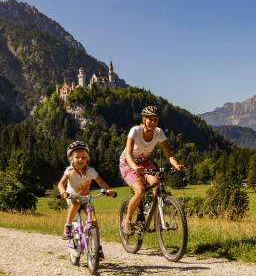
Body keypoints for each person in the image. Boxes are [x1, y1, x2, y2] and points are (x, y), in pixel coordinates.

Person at [119, 106, 184, 235]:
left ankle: (156, 221)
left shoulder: (159, 133)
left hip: (144, 163)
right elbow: (128, 154)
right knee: (140, 190)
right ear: (144, 119)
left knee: (156, 184)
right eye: (150, 119)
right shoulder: (135, 131)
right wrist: (134, 167)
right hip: (128, 164)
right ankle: (126, 221)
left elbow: (168, 155)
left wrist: (176, 165)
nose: (153, 122)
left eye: (155, 119)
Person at [57, 141, 114, 249]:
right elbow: (60, 183)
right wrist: (62, 192)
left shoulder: (91, 171)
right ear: (71, 159)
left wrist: (108, 190)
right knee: (76, 203)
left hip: (85, 198)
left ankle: (98, 246)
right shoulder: (69, 171)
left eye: (83, 157)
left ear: (87, 158)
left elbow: (101, 183)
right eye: (77, 157)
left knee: (93, 220)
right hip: (72, 196)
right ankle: (68, 226)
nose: (80, 160)